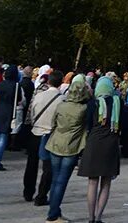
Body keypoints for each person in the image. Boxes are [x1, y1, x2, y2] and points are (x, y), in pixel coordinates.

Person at [45, 73, 91, 223]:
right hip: (72, 146)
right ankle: (53, 215)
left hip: (55, 143)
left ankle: (54, 211)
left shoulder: (61, 105)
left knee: (54, 180)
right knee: (61, 182)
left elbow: (53, 124)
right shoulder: (84, 109)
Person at [80, 76, 121, 223]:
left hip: (94, 143)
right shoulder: (117, 103)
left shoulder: (93, 104)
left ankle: (90, 218)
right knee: (106, 182)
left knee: (92, 182)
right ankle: (99, 217)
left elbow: (87, 125)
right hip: (111, 143)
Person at [24, 71, 63, 206]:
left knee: (31, 164)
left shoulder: (38, 96)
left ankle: (28, 191)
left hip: (36, 131)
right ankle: (41, 195)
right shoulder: (61, 99)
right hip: (50, 134)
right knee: (48, 168)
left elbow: (31, 113)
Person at [0, 63, 19, 170]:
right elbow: (19, 100)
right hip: (8, 110)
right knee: (3, 137)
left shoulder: (1, 84)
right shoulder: (16, 86)